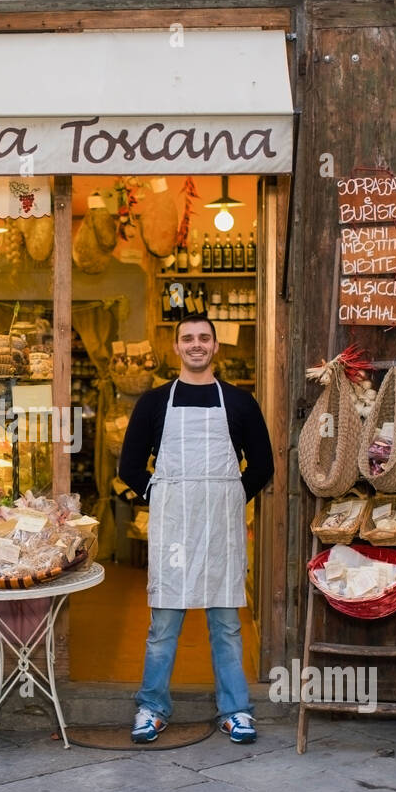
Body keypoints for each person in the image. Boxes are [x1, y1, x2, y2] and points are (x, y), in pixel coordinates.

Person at [118, 314, 274, 744]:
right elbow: (129, 467)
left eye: (204, 338)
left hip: (222, 525)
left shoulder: (241, 402)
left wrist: (230, 496)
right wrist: (165, 497)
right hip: (173, 527)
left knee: (225, 622)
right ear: (176, 347)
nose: (196, 345)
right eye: (188, 338)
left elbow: (263, 465)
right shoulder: (152, 402)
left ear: (215, 346)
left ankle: (236, 710)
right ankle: (152, 708)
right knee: (163, 624)